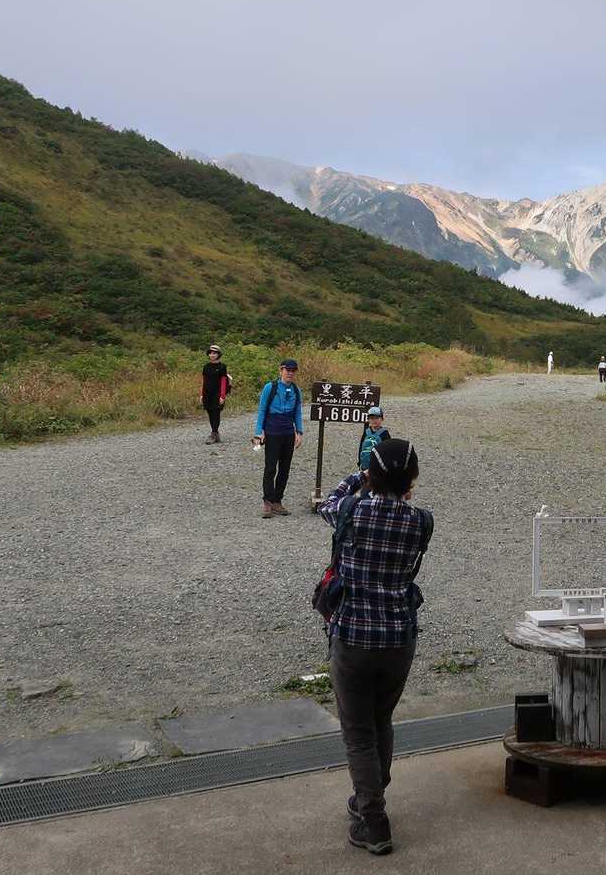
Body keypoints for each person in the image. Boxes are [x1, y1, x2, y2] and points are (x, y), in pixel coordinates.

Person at [319, 437, 432, 856]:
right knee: (381, 720)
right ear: (412, 478)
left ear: (373, 474)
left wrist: (359, 477)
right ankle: (371, 795)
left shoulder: (352, 510)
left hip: (352, 635)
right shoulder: (422, 522)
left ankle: (374, 820)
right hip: (399, 637)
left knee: (358, 733)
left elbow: (328, 502)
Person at [254, 359, 303, 517]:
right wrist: (258, 432)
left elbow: (298, 412)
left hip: (288, 433)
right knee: (270, 468)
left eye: (293, 370)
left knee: (284, 469)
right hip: (272, 431)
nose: (290, 373)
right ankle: (268, 502)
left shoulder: (296, 390)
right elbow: (262, 410)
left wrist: (299, 432)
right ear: (281, 370)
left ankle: (277, 501)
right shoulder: (270, 387)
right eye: (287, 370)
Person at [199, 344, 232, 444]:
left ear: (218, 354)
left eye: (214, 353)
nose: (212, 355)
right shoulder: (206, 367)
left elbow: (223, 381)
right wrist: (201, 394)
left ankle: (213, 434)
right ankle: (216, 434)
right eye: (210, 353)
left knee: (216, 412)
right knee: (210, 412)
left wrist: (222, 396)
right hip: (207, 393)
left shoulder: (222, 367)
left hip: (217, 394)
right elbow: (203, 381)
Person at [357, 407, 390, 476]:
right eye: (371, 418)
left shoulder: (385, 433)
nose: (374, 420)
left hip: (378, 469)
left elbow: (388, 452)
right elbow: (361, 447)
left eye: (377, 418)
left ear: (382, 419)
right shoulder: (366, 432)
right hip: (365, 467)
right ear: (368, 419)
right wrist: (359, 462)